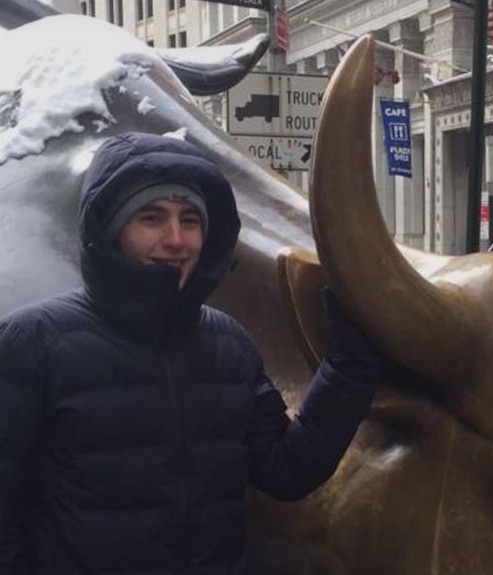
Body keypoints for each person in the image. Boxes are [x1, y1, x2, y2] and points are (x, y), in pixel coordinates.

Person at [0, 132, 384, 574]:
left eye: (191, 220)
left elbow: (285, 470)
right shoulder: (33, 342)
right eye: (151, 217)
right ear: (109, 229)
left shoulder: (228, 344)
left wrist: (349, 367)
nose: (177, 239)